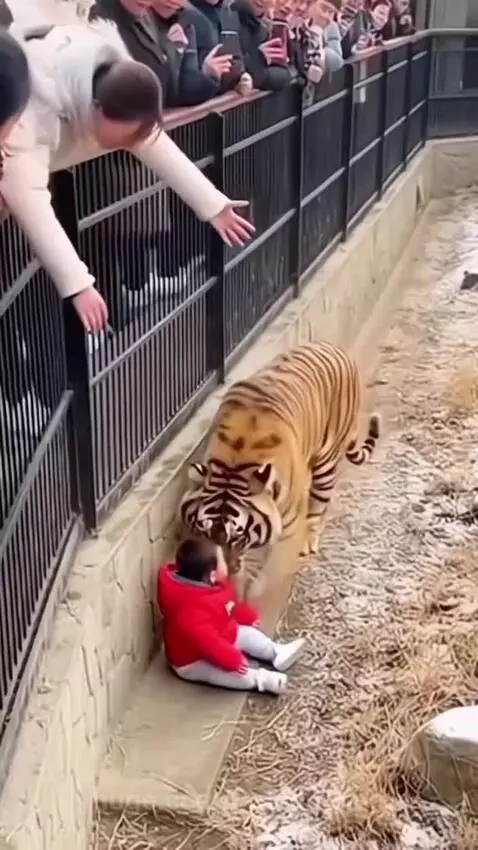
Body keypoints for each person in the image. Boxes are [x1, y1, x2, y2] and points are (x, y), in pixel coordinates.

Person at [0, 19, 255, 334]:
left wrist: (213, 206)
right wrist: (78, 284)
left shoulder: (108, 80)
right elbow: (29, 198)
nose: (130, 144)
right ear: (98, 109)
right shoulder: (32, 116)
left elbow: (150, 140)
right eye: (125, 135)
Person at [157, 538, 307, 695]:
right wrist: (232, 659)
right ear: (212, 575)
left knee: (247, 634)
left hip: (221, 631)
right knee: (234, 674)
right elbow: (210, 643)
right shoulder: (191, 612)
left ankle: (276, 652)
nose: (227, 563)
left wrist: (246, 616)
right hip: (193, 660)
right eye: (222, 561)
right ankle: (262, 679)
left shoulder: (211, 586)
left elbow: (229, 605)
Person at [88, 0, 229, 106]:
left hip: (148, 130)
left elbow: (169, 90)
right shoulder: (100, 20)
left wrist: (206, 74)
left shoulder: (148, 19)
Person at [185, 0, 253, 95]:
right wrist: (205, 76)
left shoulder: (231, 12)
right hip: (199, 103)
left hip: (225, 102)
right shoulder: (184, 13)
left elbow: (237, 58)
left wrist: (240, 76)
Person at [233, 0, 291, 92]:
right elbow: (231, 73)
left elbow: (284, 74)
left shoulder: (265, 29)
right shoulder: (229, 20)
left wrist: (261, 75)